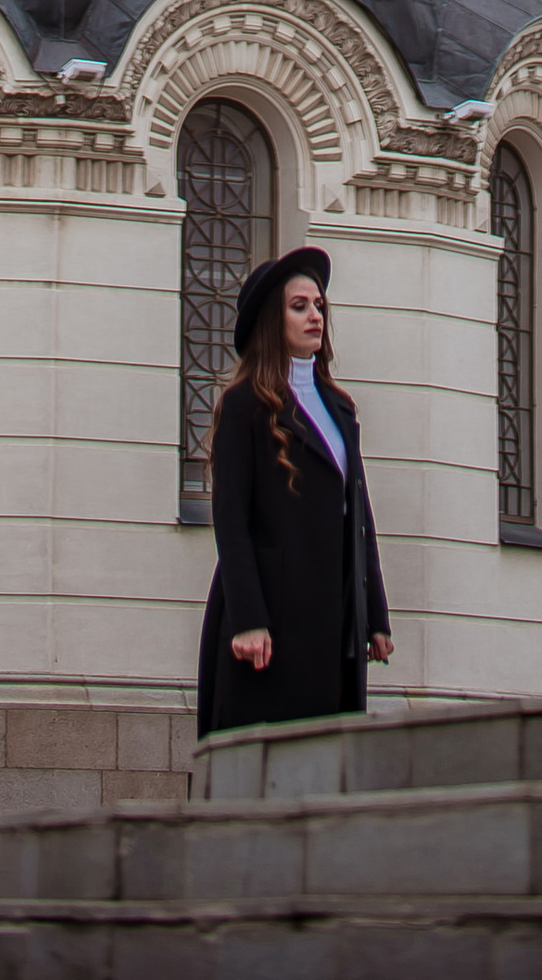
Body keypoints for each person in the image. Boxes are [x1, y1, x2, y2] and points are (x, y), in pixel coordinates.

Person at [195, 244, 393, 739]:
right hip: (270, 623)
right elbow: (231, 522)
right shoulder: (244, 406)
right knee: (261, 771)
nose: (314, 316)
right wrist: (248, 620)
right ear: (271, 319)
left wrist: (374, 616)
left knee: (323, 763)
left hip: (331, 618)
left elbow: (358, 516)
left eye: (319, 306)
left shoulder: (340, 408)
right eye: (299, 306)